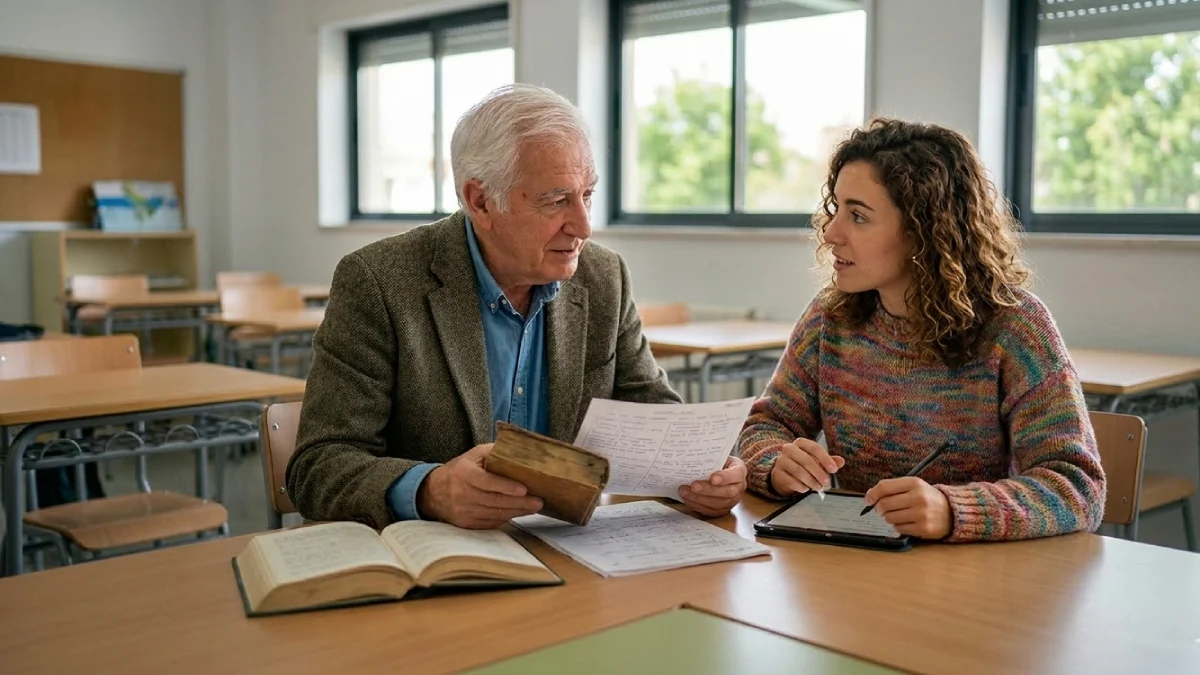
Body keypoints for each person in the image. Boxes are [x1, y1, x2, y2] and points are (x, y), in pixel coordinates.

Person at [288, 84, 748, 530]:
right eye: (556, 201)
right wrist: (430, 490)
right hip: (444, 563)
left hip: (569, 554)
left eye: (587, 195)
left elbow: (655, 417)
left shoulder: (603, 277)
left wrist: (707, 472)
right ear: (480, 201)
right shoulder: (379, 281)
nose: (584, 226)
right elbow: (319, 465)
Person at [738, 117, 1106, 542]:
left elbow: (1079, 487)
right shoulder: (829, 318)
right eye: (836, 208)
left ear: (924, 230)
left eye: (858, 216)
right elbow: (765, 426)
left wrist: (954, 510)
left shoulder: (1015, 326)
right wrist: (775, 463)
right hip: (853, 565)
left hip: (974, 581)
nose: (832, 232)